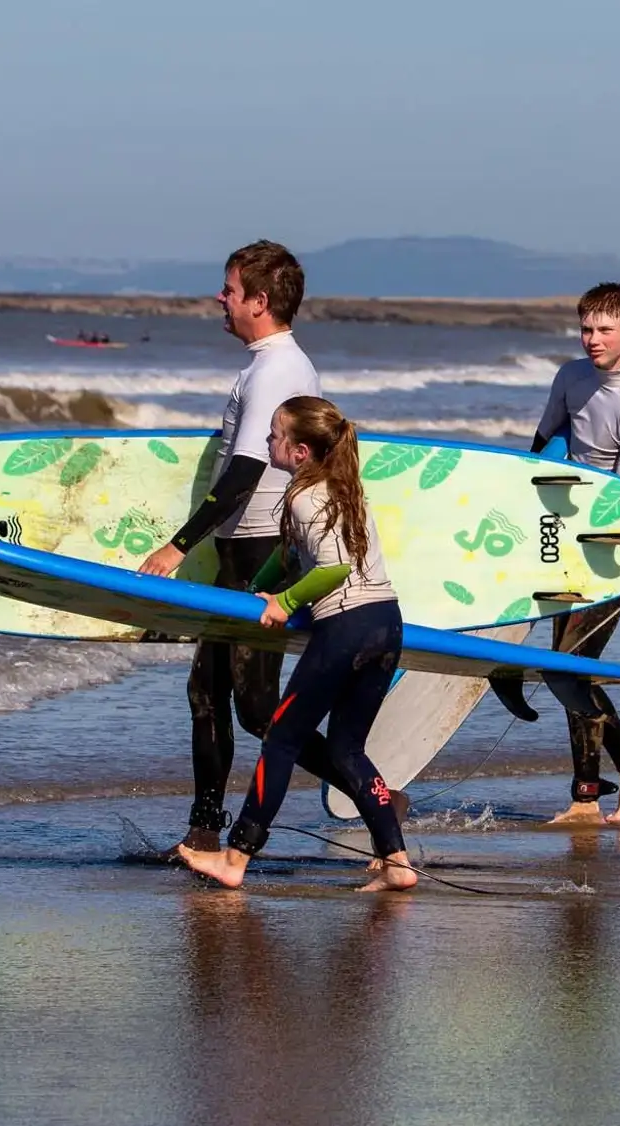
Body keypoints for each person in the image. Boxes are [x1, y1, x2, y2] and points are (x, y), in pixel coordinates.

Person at [140, 241, 346, 855]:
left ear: (259, 300)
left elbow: (245, 473)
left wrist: (177, 548)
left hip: (264, 553)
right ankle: (203, 826)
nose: (220, 299)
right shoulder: (263, 365)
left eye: (230, 290)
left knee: (256, 708)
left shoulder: (279, 369)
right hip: (239, 551)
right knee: (208, 692)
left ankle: (373, 791)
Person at [178, 397, 417, 893]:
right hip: (386, 624)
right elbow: (289, 556)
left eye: (274, 435)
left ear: (300, 450)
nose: (268, 443)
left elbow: (334, 568)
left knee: (282, 737)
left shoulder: (305, 498)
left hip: (346, 628)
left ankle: (237, 856)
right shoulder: (342, 489)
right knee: (348, 748)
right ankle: (396, 862)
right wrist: (255, 596)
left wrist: (284, 603)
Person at [530, 283, 620, 822]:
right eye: (586, 328)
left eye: (605, 329)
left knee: (567, 668)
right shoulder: (570, 377)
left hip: (617, 548)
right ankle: (587, 795)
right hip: (566, 537)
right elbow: (538, 452)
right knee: (565, 666)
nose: (592, 339)